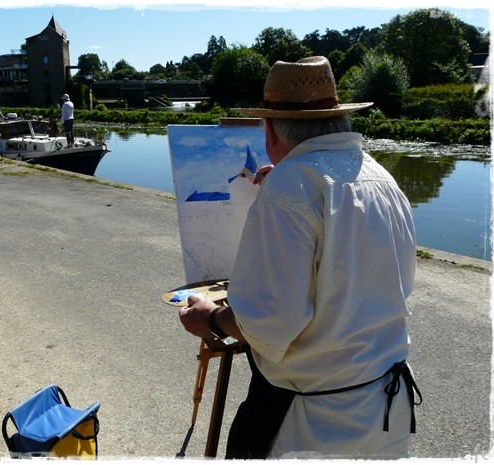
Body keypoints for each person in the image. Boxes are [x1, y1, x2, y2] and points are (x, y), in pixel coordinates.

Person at [178, 56, 422, 459]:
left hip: (313, 423)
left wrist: (209, 317)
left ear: (270, 129)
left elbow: (269, 323)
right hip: (385, 408)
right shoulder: (381, 177)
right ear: (337, 120)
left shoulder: (290, 189)